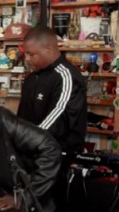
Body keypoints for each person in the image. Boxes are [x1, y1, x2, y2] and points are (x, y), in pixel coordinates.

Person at [17, 25, 88, 155]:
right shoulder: (32, 78)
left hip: (56, 156)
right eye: (25, 53)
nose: (27, 58)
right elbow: (23, 117)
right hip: (31, 152)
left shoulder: (66, 77)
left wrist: (26, 140)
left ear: (48, 49)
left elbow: (57, 119)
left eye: (31, 54)